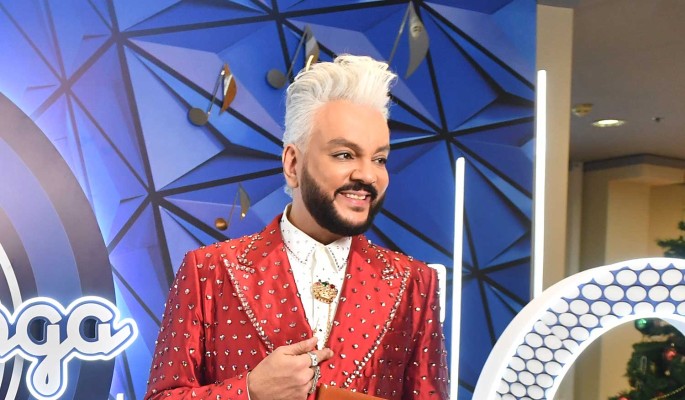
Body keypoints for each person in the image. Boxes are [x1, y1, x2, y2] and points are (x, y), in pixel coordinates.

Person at [144, 55, 449, 400]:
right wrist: (250, 391)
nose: (367, 175)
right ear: (292, 164)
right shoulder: (208, 271)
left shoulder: (415, 283)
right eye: (345, 155)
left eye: (379, 159)